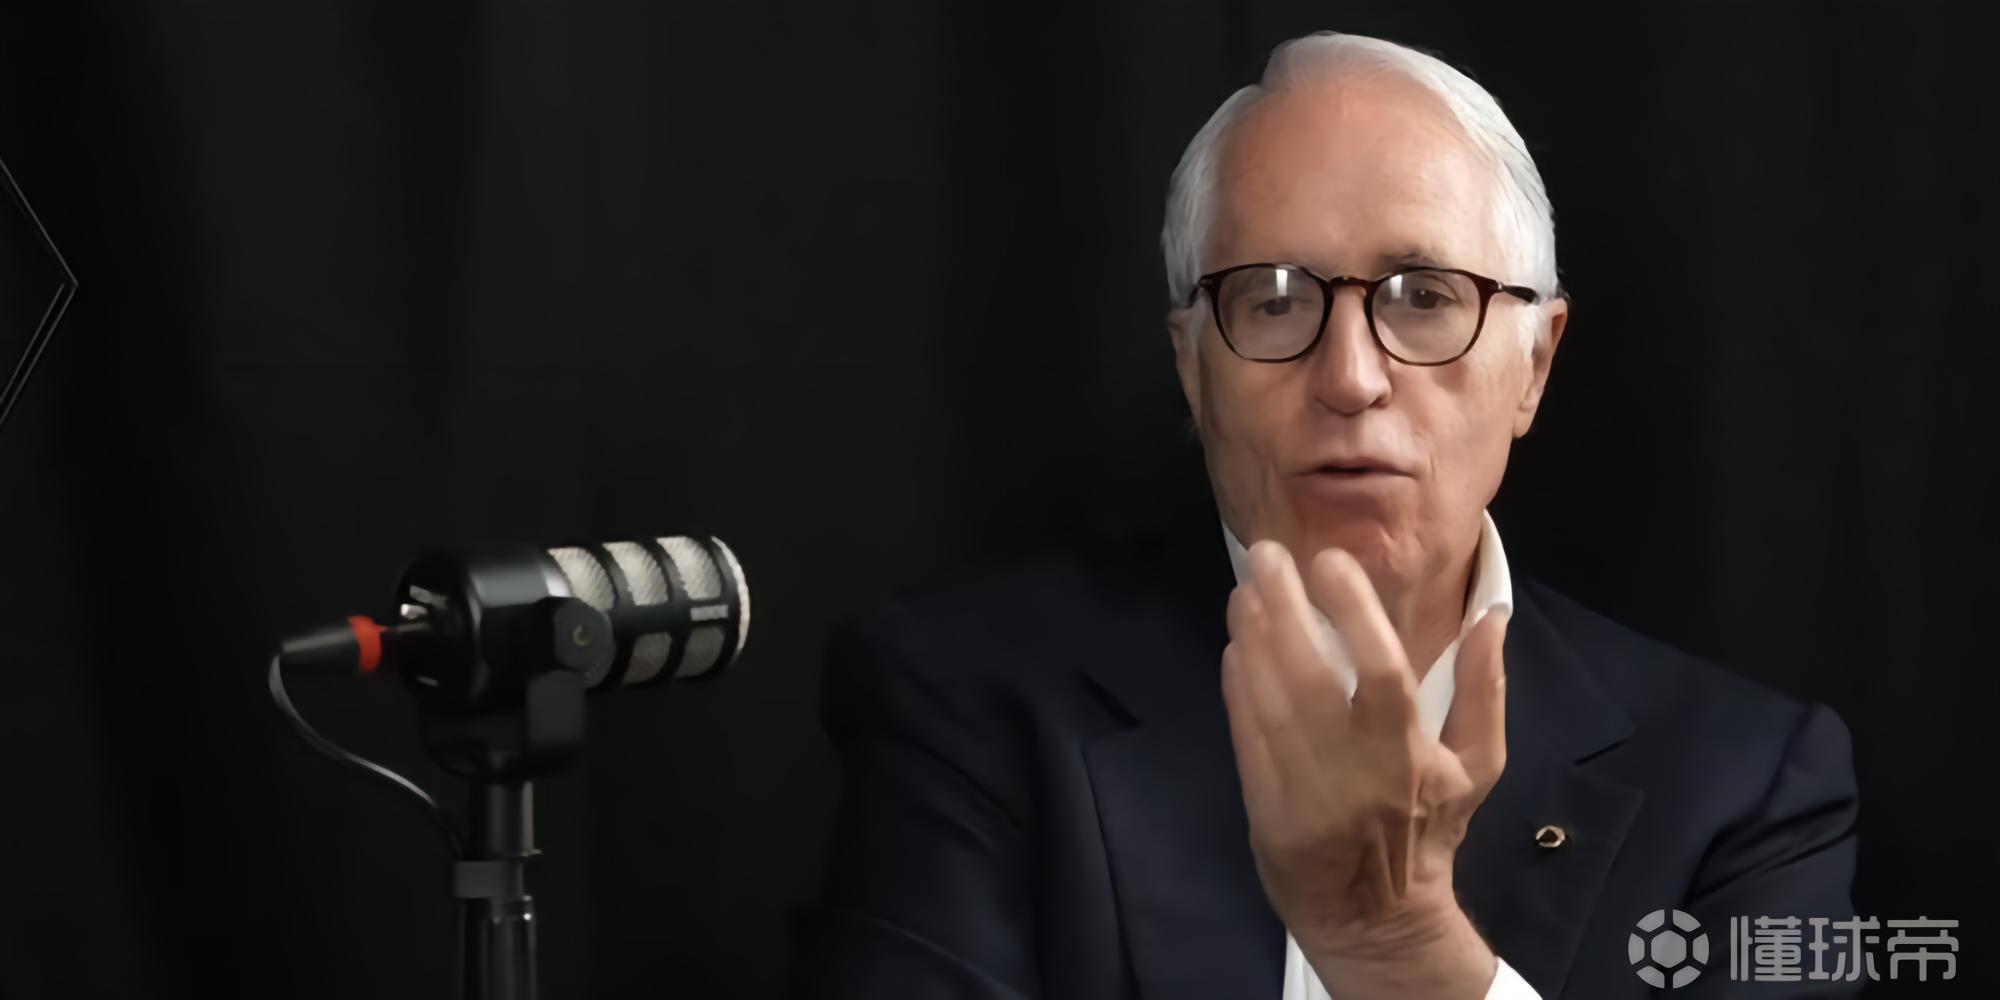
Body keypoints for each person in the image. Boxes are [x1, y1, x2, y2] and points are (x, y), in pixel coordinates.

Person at [792, 30, 1858, 999]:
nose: (1349, 377)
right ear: (1191, 366)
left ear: (1534, 363)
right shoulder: (968, 702)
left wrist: (1402, 949)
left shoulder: (1746, 783)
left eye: (1425, 296)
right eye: (1272, 299)